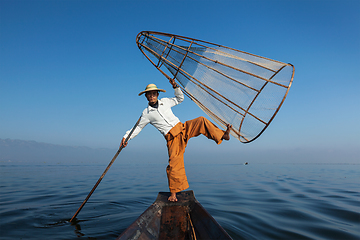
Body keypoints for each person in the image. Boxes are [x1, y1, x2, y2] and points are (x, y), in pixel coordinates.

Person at [121, 79, 232, 202]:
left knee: (201, 120)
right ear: (146, 96)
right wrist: (126, 137)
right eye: (149, 94)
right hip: (172, 138)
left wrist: (175, 87)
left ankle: (223, 135)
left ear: (157, 94)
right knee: (174, 164)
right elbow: (138, 128)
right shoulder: (146, 113)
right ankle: (173, 193)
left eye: (154, 93)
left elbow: (180, 99)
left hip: (182, 128)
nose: (152, 96)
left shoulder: (165, 102)